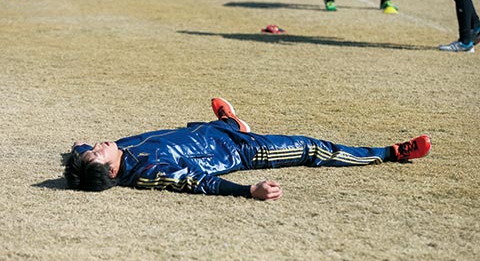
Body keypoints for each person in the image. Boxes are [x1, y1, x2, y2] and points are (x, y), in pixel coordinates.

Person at [64, 98, 431, 200]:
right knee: (312, 148)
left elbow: (79, 148)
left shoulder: (114, 153)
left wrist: (79, 159)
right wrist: (247, 190)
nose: (98, 145)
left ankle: (231, 120)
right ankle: (390, 152)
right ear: (111, 172)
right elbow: (199, 183)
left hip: (211, 132)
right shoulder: (148, 172)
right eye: (97, 154)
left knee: (201, 126)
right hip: (243, 151)